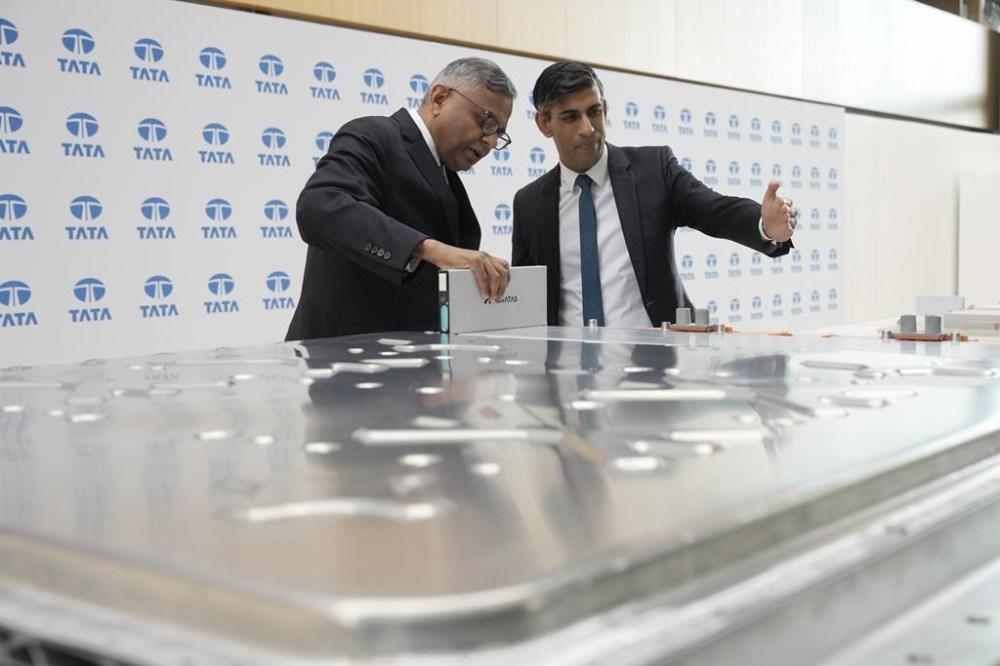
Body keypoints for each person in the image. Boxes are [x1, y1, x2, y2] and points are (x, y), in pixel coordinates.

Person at [512, 61, 797, 328]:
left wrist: (764, 225)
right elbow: (524, 304)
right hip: (566, 361)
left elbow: (714, 210)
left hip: (654, 357)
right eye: (571, 117)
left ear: (605, 109)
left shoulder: (654, 170)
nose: (587, 129)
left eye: (594, 112)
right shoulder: (529, 204)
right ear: (544, 123)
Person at [286, 57, 516, 341]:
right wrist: (432, 249)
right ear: (440, 98)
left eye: (499, 133)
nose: (491, 141)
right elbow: (319, 206)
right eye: (487, 122)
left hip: (411, 359)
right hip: (345, 355)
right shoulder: (372, 135)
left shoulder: (447, 176)